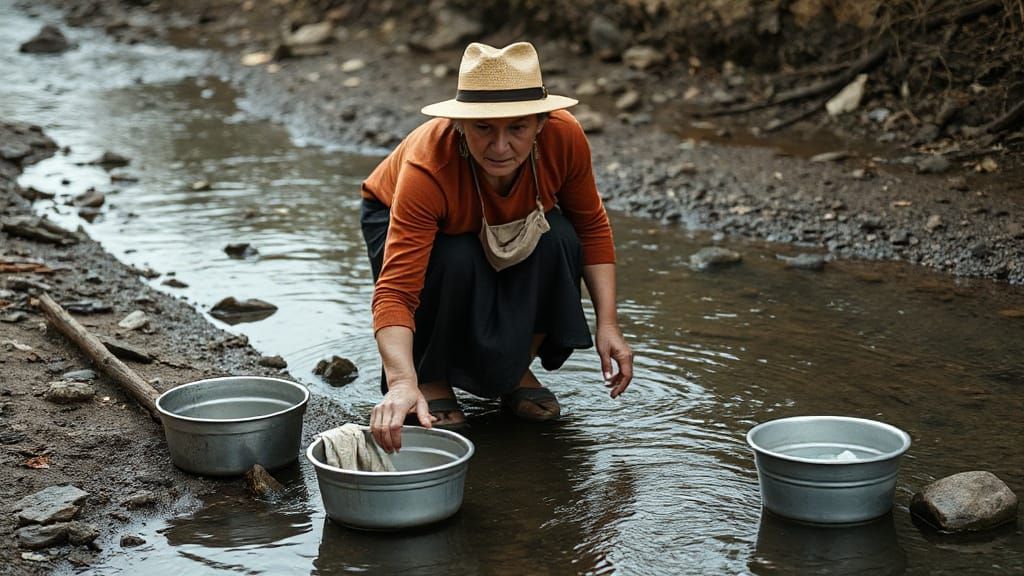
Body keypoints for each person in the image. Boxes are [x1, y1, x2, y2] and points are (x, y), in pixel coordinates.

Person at [361, 41, 633, 453]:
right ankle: (429, 377)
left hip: (514, 223)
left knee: (560, 238)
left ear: (541, 123)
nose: (501, 147)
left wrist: (609, 324)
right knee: (456, 258)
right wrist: (401, 382)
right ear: (459, 126)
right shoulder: (428, 166)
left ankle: (512, 372)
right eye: (484, 128)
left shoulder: (565, 138)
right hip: (395, 215)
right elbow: (397, 292)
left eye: (517, 128)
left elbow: (592, 227)